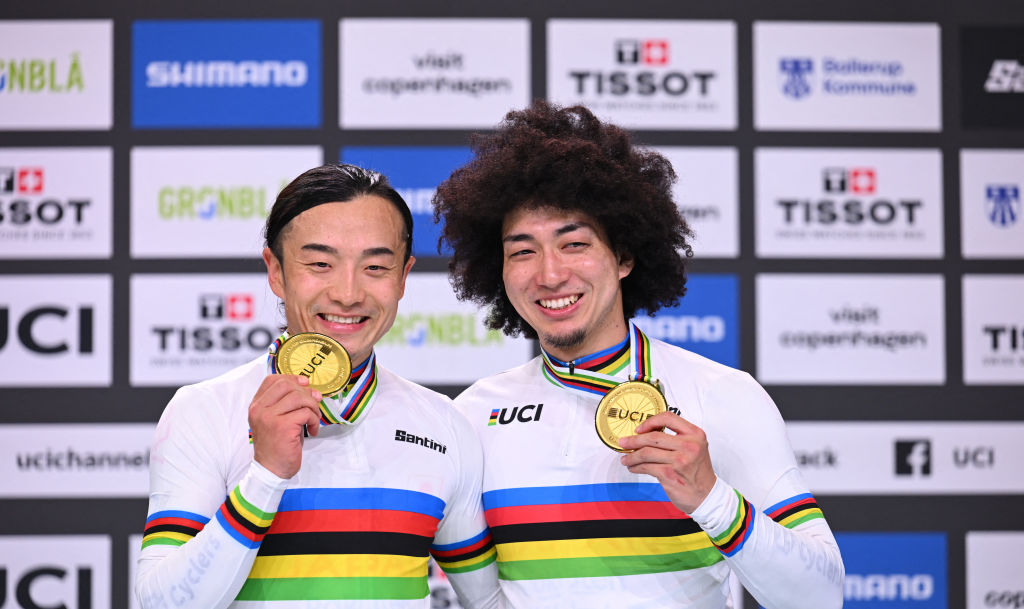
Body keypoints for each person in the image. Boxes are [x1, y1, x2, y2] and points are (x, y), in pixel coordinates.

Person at [432, 101, 844, 609]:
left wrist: (711, 498)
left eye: (574, 243)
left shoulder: (722, 395)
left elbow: (820, 597)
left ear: (624, 256)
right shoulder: (471, 416)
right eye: (522, 251)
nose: (550, 274)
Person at [136, 163, 500, 609]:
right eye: (320, 264)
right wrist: (265, 476)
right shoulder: (204, 410)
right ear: (276, 271)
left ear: (403, 278)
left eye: (375, 267)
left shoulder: (444, 423)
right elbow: (162, 604)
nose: (348, 293)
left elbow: (488, 602)